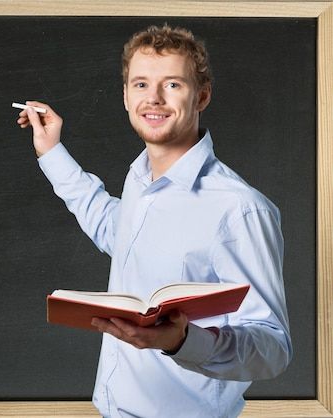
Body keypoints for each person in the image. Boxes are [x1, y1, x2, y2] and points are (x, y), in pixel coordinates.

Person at [16, 24, 292, 418]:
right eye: (141, 84)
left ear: (203, 95)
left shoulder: (240, 209)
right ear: (126, 97)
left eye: (173, 85)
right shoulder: (140, 178)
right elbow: (116, 232)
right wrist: (52, 152)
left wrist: (183, 341)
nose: (154, 99)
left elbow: (273, 349)